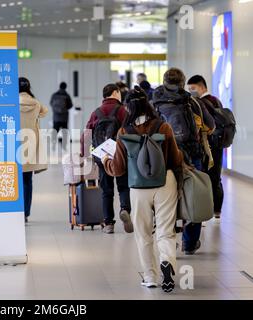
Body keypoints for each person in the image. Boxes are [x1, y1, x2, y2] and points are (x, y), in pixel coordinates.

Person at [102, 86, 183, 292]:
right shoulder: (163, 127)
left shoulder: (124, 132)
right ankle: (167, 263)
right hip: (165, 182)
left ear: (128, 108)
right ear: (147, 104)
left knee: (144, 233)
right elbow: (175, 159)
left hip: (138, 187)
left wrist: (105, 160)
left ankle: (150, 277)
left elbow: (118, 169)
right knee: (165, 230)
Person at [153, 68, 215, 255]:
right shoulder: (192, 101)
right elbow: (210, 126)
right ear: (182, 83)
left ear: (164, 82)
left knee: (166, 200)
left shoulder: (154, 103)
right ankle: (189, 243)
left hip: (164, 157)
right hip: (191, 156)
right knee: (193, 196)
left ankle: (169, 242)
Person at [81, 84, 132, 234]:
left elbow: (87, 134)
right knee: (123, 186)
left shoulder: (96, 112)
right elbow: (130, 131)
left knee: (106, 190)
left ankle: (108, 223)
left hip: (102, 155)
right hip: (120, 154)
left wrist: (84, 153)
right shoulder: (123, 111)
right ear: (115, 93)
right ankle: (125, 209)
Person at [187, 75, 224, 219]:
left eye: (193, 88)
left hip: (206, 144)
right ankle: (217, 211)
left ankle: (204, 213)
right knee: (216, 177)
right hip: (218, 144)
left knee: (203, 178)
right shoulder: (217, 101)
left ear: (202, 87)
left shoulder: (199, 103)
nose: (191, 91)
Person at [19, 77, 49, 223]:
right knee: (27, 180)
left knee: (14, 179)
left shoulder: (11, 102)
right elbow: (45, 111)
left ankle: (14, 210)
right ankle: (25, 213)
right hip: (30, 143)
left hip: (13, 144)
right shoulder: (36, 103)